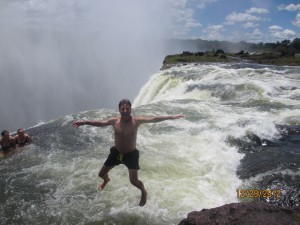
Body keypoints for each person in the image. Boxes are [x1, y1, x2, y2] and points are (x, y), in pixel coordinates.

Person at [72, 99, 183, 206]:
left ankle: (144, 191)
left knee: (134, 182)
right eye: (122, 108)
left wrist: (171, 117)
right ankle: (106, 180)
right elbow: (100, 123)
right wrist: (84, 122)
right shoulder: (114, 121)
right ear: (119, 110)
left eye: (127, 108)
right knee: (101, 174)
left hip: (131, 155)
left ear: (130, 109)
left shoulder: (136, 121)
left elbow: (154, 119)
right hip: (116, 153)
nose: (125, 110)